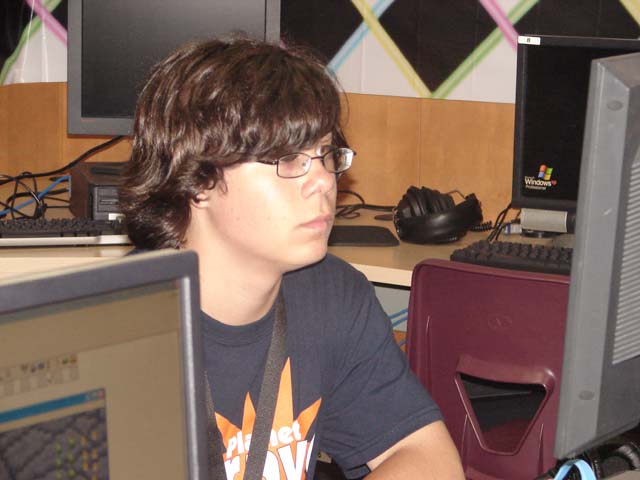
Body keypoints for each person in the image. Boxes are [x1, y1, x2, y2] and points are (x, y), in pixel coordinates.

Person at [119, 37, 464, 480]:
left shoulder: (330, 293)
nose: (323, 180)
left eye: (325, 154)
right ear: (197, 181)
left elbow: (429, 458)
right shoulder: (115, 330)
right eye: (287, 159)